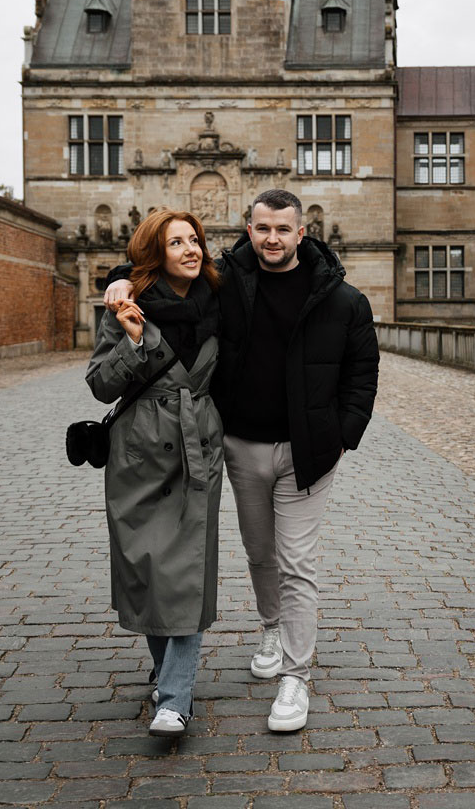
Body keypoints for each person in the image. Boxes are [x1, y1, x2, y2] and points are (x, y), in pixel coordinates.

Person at [105, 188, 378, 733]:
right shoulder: (226, 280)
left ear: (303, 232)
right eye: (261, 228)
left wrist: (344, 434)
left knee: (297, 562)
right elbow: (165, 270)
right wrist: (116, 277)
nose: (272, 238)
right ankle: (271, 628)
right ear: (247, 230)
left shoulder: (344, 298)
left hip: (310, 452)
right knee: (259, 553)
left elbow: (362, 370)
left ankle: (295, 678)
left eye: (283, 229)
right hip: (241, 444)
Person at [86, 209, 224, 739]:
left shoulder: (220, 296)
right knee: (147, 568)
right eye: (177, 243)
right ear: (155, 253)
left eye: (196, 240)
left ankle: (175, 698)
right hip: (140, 452)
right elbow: (100, 384)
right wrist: (135, 343)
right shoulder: (126, 305)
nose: (191, 250)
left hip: (198, 447)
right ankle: (167, 670)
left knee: (184, 571)